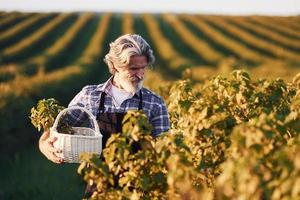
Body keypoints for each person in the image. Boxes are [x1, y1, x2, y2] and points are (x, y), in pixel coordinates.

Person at [38, 34, 170, 164]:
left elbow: (164, 149)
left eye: (143, 68)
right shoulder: (90, 96)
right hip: (99, 181)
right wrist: (44, 144)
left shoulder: (154, 103)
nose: (140, 75)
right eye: (134, 68)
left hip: (140, 183)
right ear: (114, 66)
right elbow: (61, 127)